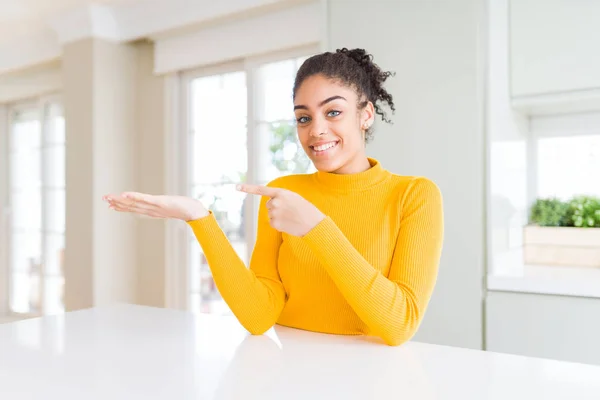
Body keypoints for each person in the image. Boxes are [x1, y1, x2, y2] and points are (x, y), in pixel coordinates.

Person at [103, 48, 444, 346]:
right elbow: (258, 316)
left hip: (370, 381)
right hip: (286, 374)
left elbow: (399, 325)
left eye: (333, 112)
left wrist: (316, 226)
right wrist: (198, 218)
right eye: (303, 118)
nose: (316, 130)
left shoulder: (413, 195)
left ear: (366, 114)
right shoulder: (286, 191)